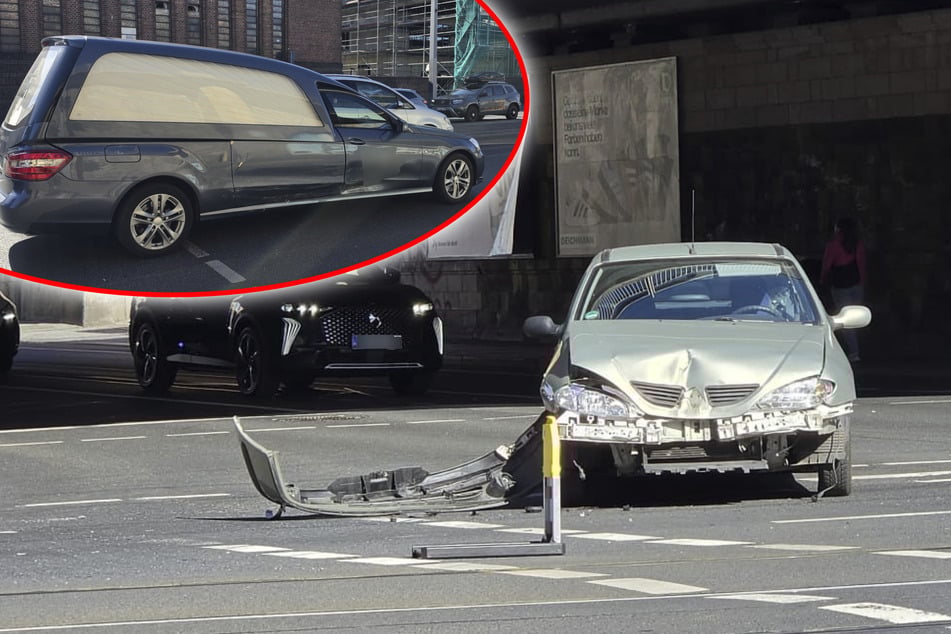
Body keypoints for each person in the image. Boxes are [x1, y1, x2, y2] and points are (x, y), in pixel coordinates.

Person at [820, 216, 867, 362]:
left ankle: (853, 351)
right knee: (856, 317)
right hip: (856, 283)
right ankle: (856, 348)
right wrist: (862, 282)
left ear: (838, 229)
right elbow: (862, 264)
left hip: (840, 285)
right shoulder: (857, 244)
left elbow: (827, 265)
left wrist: (822, 280)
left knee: (845, 318)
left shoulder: (833, 245)